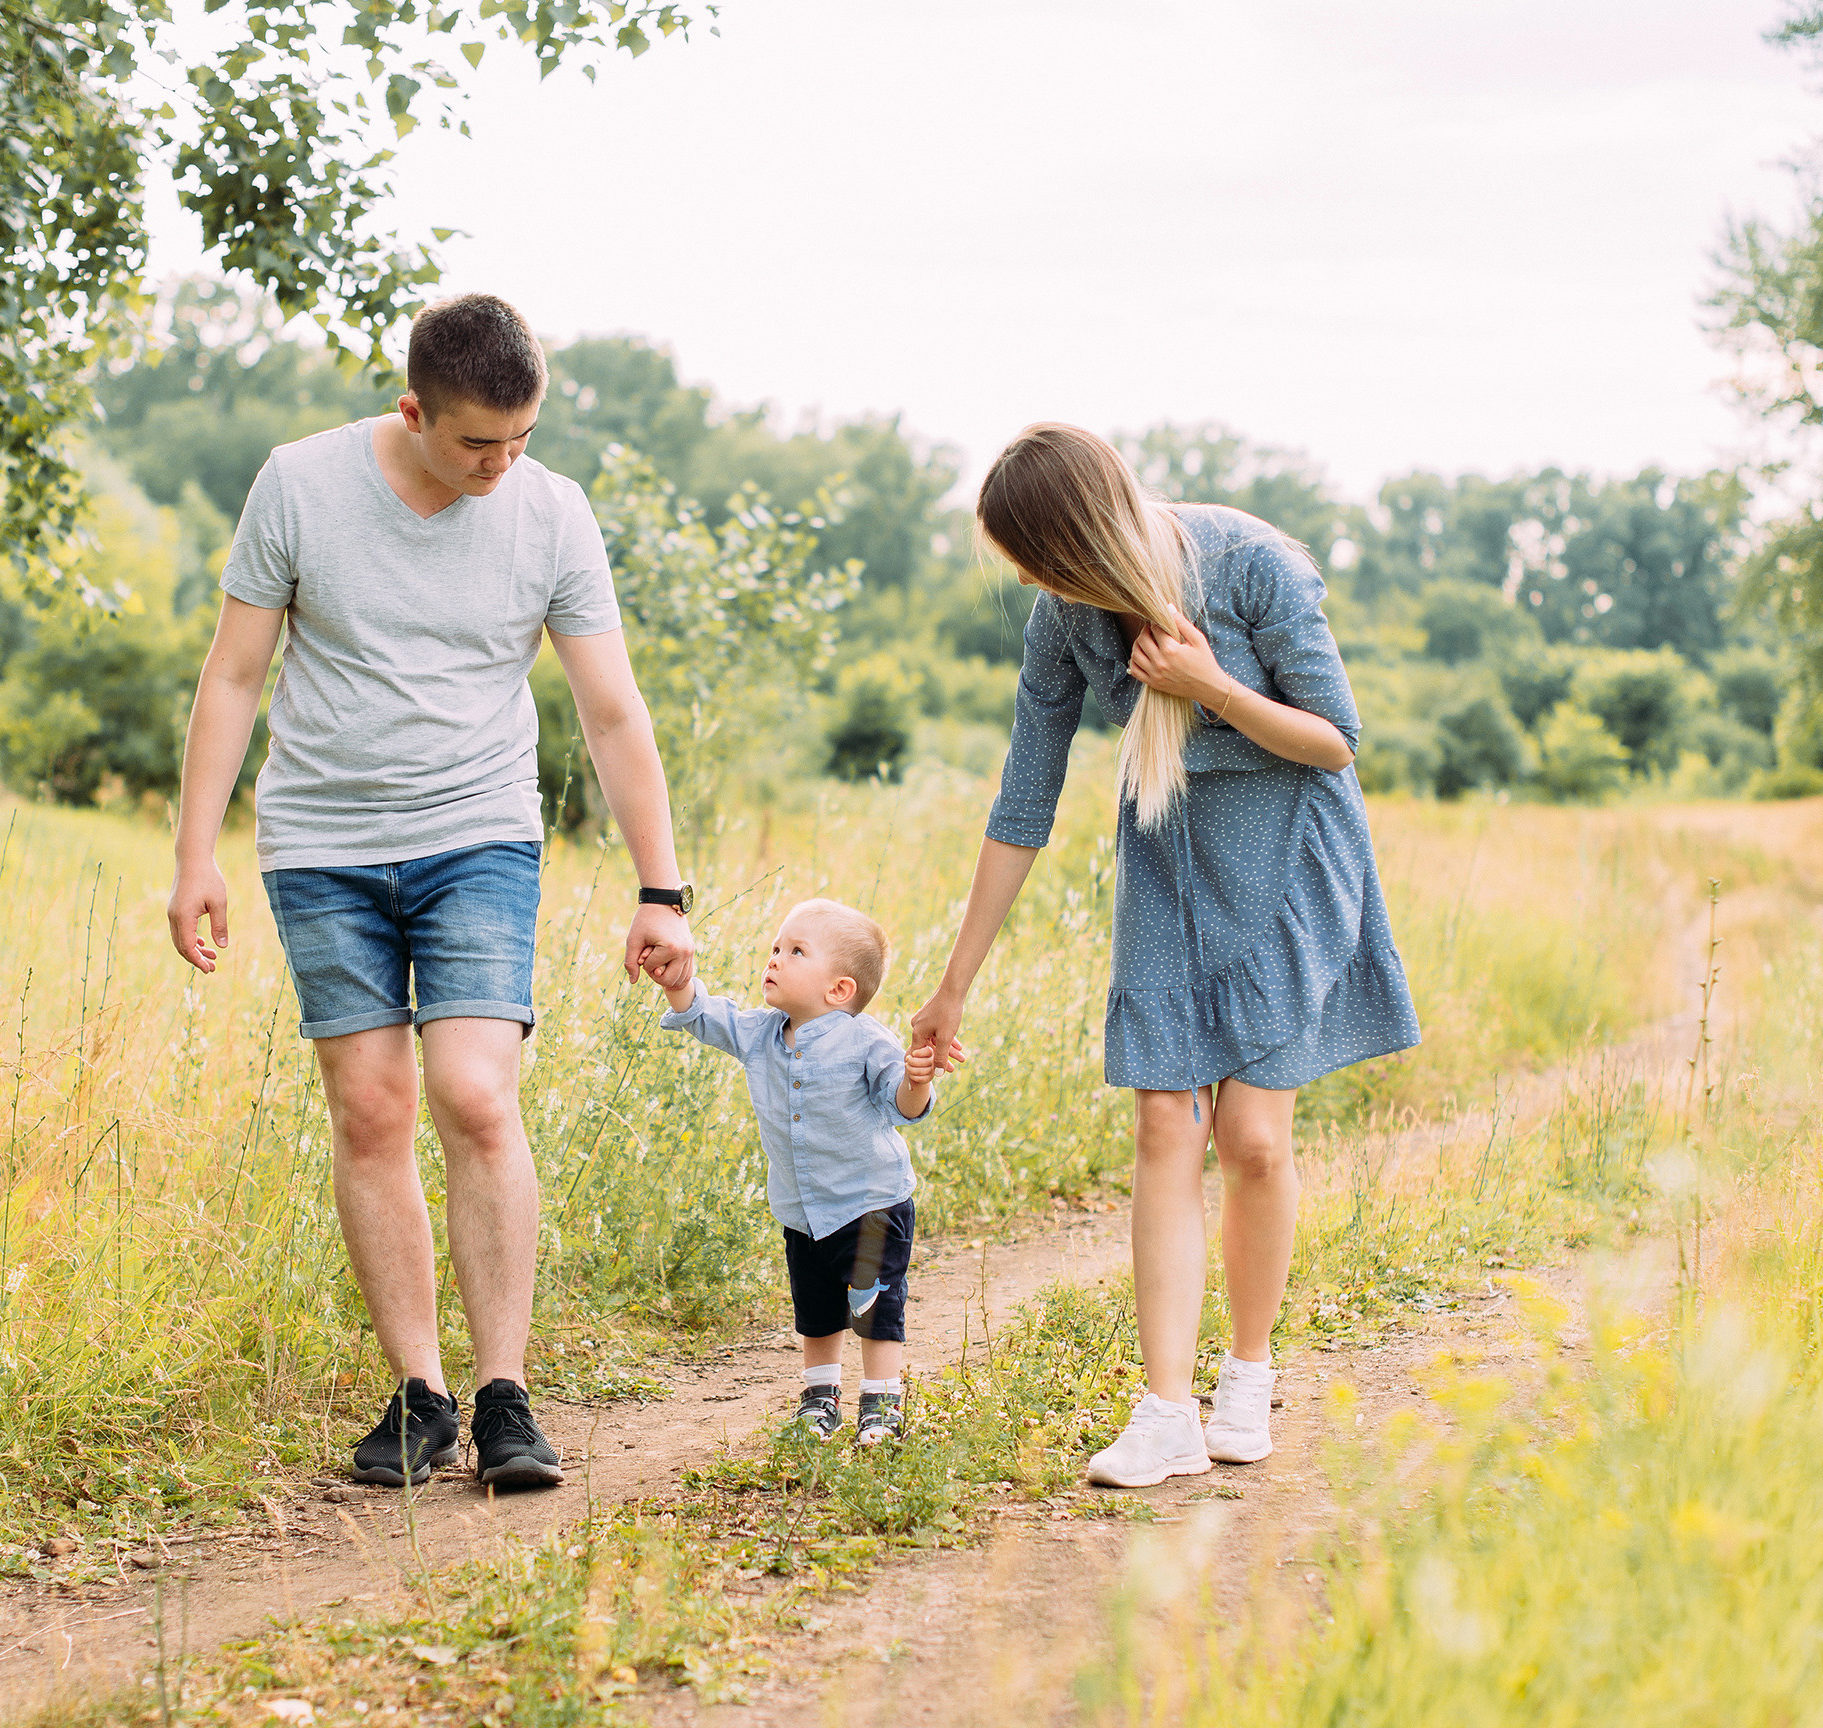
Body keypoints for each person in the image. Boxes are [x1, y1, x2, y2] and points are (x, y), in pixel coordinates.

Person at [165, 292, 695, 1496]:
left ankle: (504, 1393)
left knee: (472, 1092)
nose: (501, 467)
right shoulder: (299, 486)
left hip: (478, 834)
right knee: (370, 1108)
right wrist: (196, 854)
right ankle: (420, 1396)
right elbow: (235, 673)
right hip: (323, 843)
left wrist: (661, 886)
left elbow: (610, 709)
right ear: (412, 411)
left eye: (519, 441)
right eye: (474, 445)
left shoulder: (551, 511)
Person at [910, 423, 1418, 1488]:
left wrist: (1207, 686)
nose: (1040, 583)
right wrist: (951, 985)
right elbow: (1022, 801)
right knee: (1160, 1122)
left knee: (1252, 1139)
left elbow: (1333, 740)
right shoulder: (1063, 621)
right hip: (1166, 865)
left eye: (1047, 558)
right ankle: (1163, 1410)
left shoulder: (1247, 566)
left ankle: (1245, 1374)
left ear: (1088, 530)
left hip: (1286, 855)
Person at [644, 899, 944, 1448]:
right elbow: (706, 1016)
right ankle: (819, 1400)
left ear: (839, 990)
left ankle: (880, 1404)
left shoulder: (867, 1041)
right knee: (817, 1308)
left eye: (796, 951)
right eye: (776, 948)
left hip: (869, 1203)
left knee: (873, 1306)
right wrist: (675, 984)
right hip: (802, 1209)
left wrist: (917, 1078)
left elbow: (902, 1105)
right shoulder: (761, 1033)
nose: (775, 959)